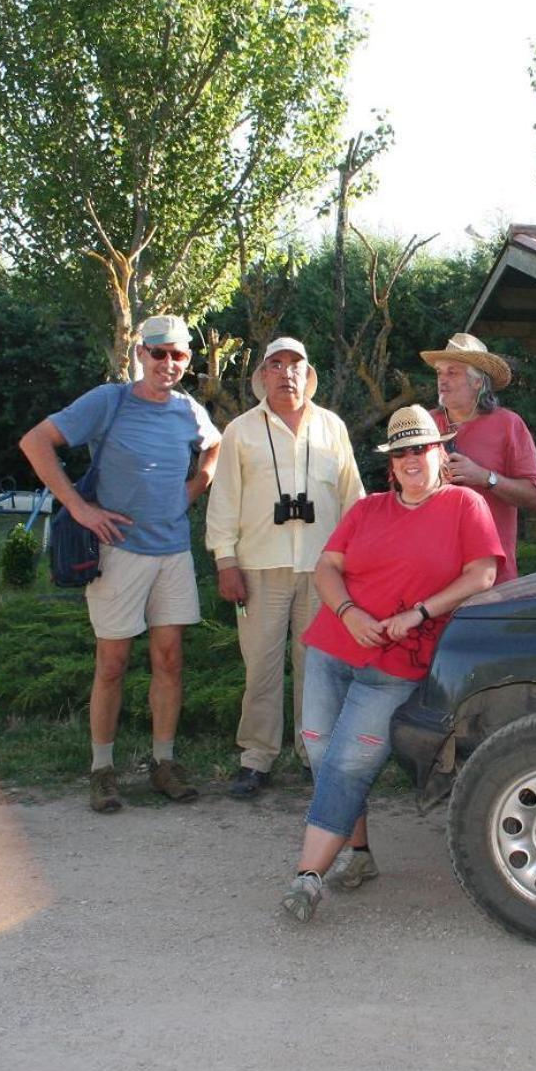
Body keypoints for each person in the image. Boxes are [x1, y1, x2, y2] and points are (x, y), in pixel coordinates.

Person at [279, 405, 502, 922]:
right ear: (391, 462)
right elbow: (328, 566)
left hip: (396, 662)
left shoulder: (465, 504)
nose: (410, 459)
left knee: (348, 762)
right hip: (332, 647)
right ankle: (357, 855)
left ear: (440, 451)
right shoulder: (368, 509)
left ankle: (308, 877)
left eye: (419, 448)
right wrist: (348, 610)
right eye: (400, 451)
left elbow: (483, 574)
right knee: (321, 754)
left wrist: (420, 611)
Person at [19, 314, 221, 813]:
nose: (167, 363)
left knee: (170, 659)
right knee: (111, 663)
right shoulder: (108, 401)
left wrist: (196, 485)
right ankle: (102, 769)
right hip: (119, 551)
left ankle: (164, 762)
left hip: (172, 551)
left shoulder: (188, 411)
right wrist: (79, 508)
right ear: (140, 354)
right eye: (158, 352)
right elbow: (35, 442)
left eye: (177, 354)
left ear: (187, 361)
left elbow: (214, 444)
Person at [205, 336, 363, 801]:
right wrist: (225, 561)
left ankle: (316, 755)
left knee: (317, 669)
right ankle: (256, 758)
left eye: (296, 364)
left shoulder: (332, 427)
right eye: (276, 364)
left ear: (309, 374)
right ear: (262, 375)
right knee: (261, 668)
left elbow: (353, 497)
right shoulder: (240, 430)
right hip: (258, 566)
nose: (287, 373)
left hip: (324, 569)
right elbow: (223, 500)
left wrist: (361, 560)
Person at [422, 332, 536, 582]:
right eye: (439, 373)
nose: (442, 381)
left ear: (478, 382)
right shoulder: (424, 424)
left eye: (452, 372)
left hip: (491, 579)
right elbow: (398, 490)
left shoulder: (508, 424)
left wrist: (485, 477)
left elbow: (535, 497)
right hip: (429, 574)